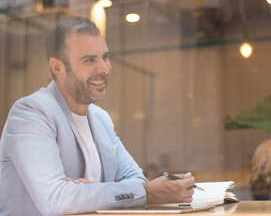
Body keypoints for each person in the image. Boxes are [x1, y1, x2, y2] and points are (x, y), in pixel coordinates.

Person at [0, 16, 195, 216]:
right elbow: (57, 200)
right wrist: (145, 193)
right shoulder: (30, 113)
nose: (104, 69)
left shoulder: (100, 118)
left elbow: (137, 180)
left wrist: (87, 193)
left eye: (105, 57)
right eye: (89, 60)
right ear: (57, 67)